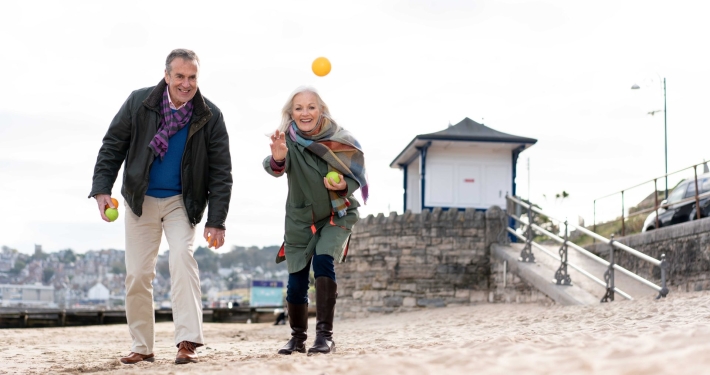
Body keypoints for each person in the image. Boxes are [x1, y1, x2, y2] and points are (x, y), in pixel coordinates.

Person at [89, 49, 232, 365]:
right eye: (179, 76)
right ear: (167, 76)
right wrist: (101, 190)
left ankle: (187, 342)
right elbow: (112, 146)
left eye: (192, 77)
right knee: (138, 273)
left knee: (182, 256)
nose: (186, 83)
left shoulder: (210, 115)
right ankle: (142, 346)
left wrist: (216, 220)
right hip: (140, 200)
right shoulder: (139, 103)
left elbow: (221, 172)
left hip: (184, 202)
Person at [264, 86, 368, 355]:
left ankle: (325, 336)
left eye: (311, 106)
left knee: (323, 260)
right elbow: (274, 167)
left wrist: (340, 183)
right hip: (300, 219)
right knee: (296, 278)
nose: (305, 112)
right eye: (298, 108)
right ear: (291, 113)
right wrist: (278, 157)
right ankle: (297, 338)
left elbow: (354, 173)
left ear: (321, 109)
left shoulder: (339, 138)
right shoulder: (287, 140)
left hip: (337, 213)